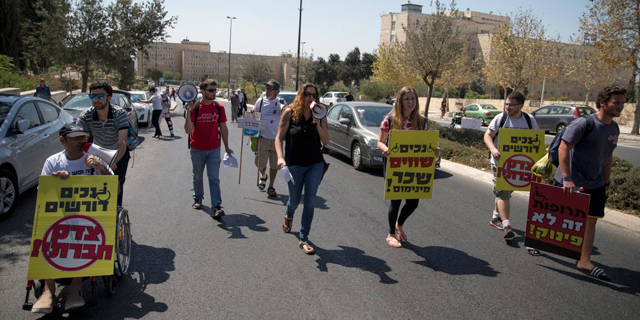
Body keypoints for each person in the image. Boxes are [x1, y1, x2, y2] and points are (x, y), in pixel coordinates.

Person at [31, 124, 113, 314]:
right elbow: (42, 194)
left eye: (83, 138)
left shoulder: (94, 160)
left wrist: (102, 169)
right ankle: (48, 289)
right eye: (75, 138)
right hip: (60, 214)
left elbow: (114, 190)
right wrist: (55, 180)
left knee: (82, 233)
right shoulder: (53, 162)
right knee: (46, 232)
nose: (81, 142)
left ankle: (76, 286)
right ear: (63, 140)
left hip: (88, 216)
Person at [555, 86, 624, 281]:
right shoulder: (584, 124)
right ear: (602, 102)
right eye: (616, 102)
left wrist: (606, 180)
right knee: (558, 215)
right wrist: (567, 179)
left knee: (590, 221)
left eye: (622, 102)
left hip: (595, 183)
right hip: (571, 181)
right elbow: (563, 148)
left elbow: (608, 156)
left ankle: (584, 260)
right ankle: (538, 241)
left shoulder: (614, 128)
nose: (620, 106)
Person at [377, 86, 440, 248]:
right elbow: (380, 142)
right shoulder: (390, 120)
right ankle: (390, 233)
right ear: (400, 101)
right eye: (407, 99)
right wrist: (386, 150)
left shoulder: (422, 122)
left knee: (413, 202)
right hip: (394, 164)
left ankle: (399, 223)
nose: (410, 102)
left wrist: (433, 150)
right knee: (396, 200)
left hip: (414, 166)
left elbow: (424, 144)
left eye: (413, 98)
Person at [275, 83, 329, 255]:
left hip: (315, 164)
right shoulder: (290, 113)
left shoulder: (320, 113)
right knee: (295, 200)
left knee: (310, 201)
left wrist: (319, 122)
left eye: (314, 95)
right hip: (294, 165)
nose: (311, 98)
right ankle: (289, 214)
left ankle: (303, 237)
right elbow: (278, 138)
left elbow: (326, 141)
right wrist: (280, 158)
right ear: (301, 95)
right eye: (307, 94)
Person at [484, 91, 540, 253]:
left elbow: (535, 140)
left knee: (505, 191)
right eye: (506, 104)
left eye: (511, 105)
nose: (507, 107)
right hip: (499, 163)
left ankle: (496, 216)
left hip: (518, 165)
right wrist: (493, 149)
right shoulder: (500, 118)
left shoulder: (529, 121)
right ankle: (507, 225)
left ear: (521, 105)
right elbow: (488, 135)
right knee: (503, 193)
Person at [184, 79, 233, 218]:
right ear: (203, 91)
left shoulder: (219, 107)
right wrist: (188, 113)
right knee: (197, 175)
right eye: (211, 90)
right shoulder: (195, 107)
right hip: (197, 148)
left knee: (214, 178)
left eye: (214, 90)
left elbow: (223, 128)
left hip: (214, 149)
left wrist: (227, 147)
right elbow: (188, 130)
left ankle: (216, 206)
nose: (214, 93)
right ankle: (198, 197)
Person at [76, 82, 130, 207]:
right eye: (92, 96)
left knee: (115, 187)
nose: (96, 100)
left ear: (109, 97)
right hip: (99, 154)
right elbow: (77, 135)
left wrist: (112, 163)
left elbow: (122, 142)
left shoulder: (119, 114)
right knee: (97, 187)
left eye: (100, 96)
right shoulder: (86, 115)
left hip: (118, 156)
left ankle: (116, 216)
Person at [253, 79, 283, 197]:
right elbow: (254, 115)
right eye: (266, 88)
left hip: (277, 140)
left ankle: (271, 186)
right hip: (263, 137)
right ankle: (263, 175)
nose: (267, 91)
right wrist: (251, 114)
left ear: (276, 91)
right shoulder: (260, 102)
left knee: (275, 165)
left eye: (270, 89)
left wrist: (283, 108)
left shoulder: (281, 102)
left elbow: (287, 115)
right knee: (260, 162)